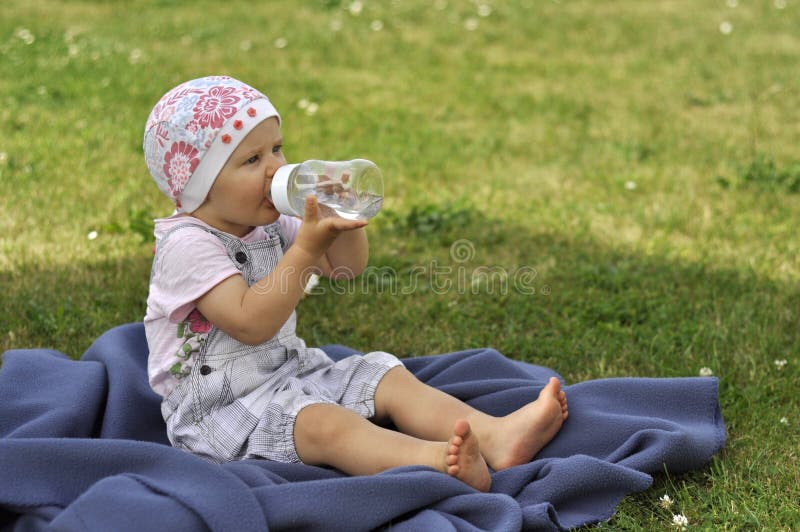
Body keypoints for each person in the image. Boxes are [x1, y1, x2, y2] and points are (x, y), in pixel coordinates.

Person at [142, 76, 568, 492]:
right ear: (201, 184)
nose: (277, 167)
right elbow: (251, 323)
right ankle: (439, 463)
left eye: (276, 148)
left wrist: (342, 219)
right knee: (326, 423)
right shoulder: (187, 246)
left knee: (384, 374)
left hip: (289, 372)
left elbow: (345, 268)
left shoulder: (270, 220)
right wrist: (305, 250)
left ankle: (495, 436)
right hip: (220, 413)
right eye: (252, 160)